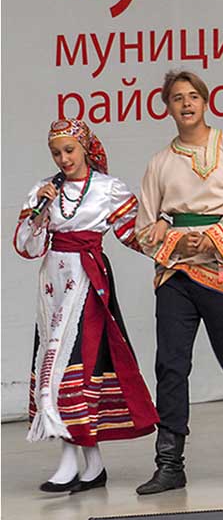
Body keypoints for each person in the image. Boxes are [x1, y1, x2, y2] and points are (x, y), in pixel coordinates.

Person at [133, 70, 223, 494]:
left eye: (193, 96)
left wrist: (213, 238)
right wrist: (173, 236)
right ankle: (169, 463)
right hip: (176, 273)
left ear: (206, 102)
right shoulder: (159, 163)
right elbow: (142, 231)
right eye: (177, 98)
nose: (186, 104)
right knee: (171, 363)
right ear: (167, 107)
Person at [14, 119, 158, 493]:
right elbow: (27, 247)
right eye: (56, 153)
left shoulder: (107, 188)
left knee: (75, 369)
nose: (64, 159)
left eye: (69, 150)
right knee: (53, 367)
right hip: (53, 286)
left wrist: (170, 249)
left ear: (85, 148)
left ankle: (71, 463)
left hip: (88, 282)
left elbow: (135, 233)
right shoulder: (44, 191)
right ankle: (91, 466)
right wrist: (39, 211)